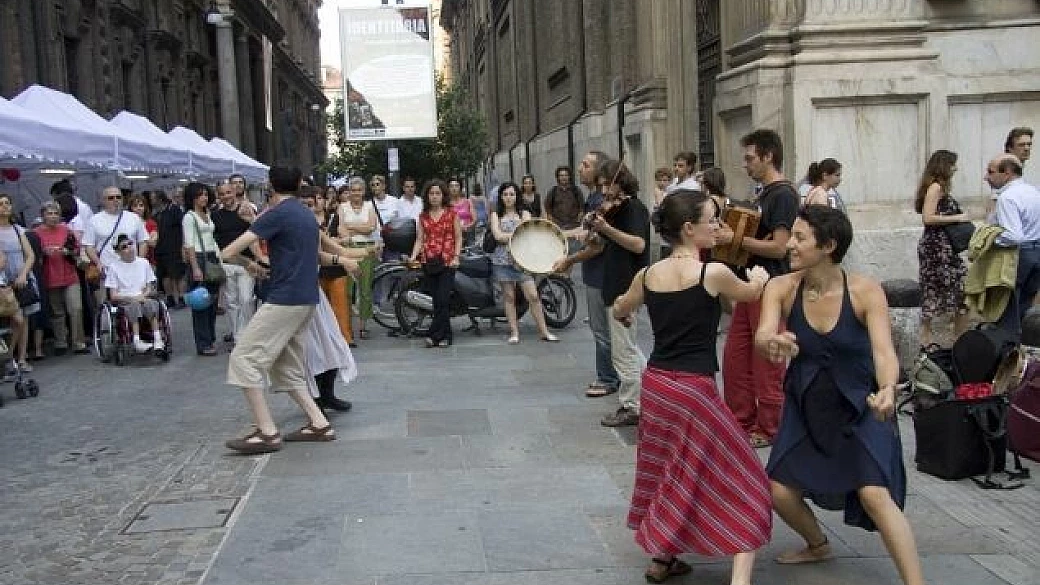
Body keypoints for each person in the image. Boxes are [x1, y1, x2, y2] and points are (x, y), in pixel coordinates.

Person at [756, 205, 922, 585]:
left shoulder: (865, 290)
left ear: (828, 245)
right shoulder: (781, 288)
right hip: (807, 402)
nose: (790, 244)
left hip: (861, 404)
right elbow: (763, 335)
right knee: (778, 490)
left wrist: (887, 390)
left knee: (874, 494)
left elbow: (884, 352)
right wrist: (773, 342)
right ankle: (817, 543)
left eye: (800, 238)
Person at [613, 190, 771, 585]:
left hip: (658, 386)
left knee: (668, 464)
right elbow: (750, 295)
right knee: (748, 475)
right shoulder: (712, 273)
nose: (718, 227)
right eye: (712, 220)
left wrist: (627, 316)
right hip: (694, 390)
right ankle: (740, 577)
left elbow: (620, 307)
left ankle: (663, 557)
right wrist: (758, 278)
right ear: (688, 228)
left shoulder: (648, 274)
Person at [220, 166, 334, 454]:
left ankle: (267, 432)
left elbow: (228, 251)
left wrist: (250, 264)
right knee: (286, 364)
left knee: (244, 358)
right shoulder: (306, 214)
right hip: (307, 297)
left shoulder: (277, 214)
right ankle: (319, 423)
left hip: (284, 298)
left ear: (270, 185)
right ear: (298, 183)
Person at [554, 159, 650, 427]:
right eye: (601, 185)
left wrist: (605, 228)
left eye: (607, 184)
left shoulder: (633, 208)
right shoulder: (615, 211)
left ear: (620, 182)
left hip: (627, 284)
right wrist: (592, 237)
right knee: (627, 346)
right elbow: (600, 247)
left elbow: (639, 244)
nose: (604, 191)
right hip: (614, 282)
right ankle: (651, 390)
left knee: (622, 350)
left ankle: (633, 406)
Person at [722, 129, 800, 448]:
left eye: (750, 157)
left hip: (769, 287)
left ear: (769, 156)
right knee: (735, 358)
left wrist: (735, 240)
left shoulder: (782, 194)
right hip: (751, 285)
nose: (746, 164)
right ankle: (741, 421)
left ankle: (770, 428)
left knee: (767, 362)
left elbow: (781, 248)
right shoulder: (764, 193)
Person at [489, 182, 559, 344]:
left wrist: (510, 235)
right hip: (502, 261)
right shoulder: (496, 214)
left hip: (522, 260)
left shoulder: (524, 212)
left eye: (511, 194)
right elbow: (497, 236)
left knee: (533, 296)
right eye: (505, 194)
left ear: (517, 196)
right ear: (501, 197)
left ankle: (544, 331)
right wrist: (515, 234)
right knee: (509, 297)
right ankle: (514, 332)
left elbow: (526, 231)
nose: (508, 197)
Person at [915, 149, 970, 347]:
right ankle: (928, 337)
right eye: (953, 164)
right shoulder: (935, 188)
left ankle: (952, 336)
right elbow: (928, 218)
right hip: (937, 248)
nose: (956, 168)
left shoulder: (939, 188)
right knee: (940, 288)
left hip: (942, 246)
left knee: (951, 289)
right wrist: (958, 217)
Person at [989, 154, 1040, 336]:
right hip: (1036, 251)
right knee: (1025, 307)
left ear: (1007, 173)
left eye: (991, 172)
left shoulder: (1007, 197)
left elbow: (1014, 235)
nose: (987, 177)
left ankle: (1009, 350)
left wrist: (991, 240)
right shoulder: (1033, 191)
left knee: (1007, 307)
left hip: (1019, 254)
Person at [409, 179, 462, 348]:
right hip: (429, 261)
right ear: (427, 196)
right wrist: (413, 256)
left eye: (437, 193)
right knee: (436, 301)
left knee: (443, 299)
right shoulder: (423, 216)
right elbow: (419, 239)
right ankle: (444, 335)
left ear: (443, 195)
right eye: (431, 193)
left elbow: (459, 237)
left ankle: (435, 335)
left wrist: (456, 256)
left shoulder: (451, 214)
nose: (434, 196)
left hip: (447, 261)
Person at [36, 201, 87, 354]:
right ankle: (60, 342)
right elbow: (32, 253)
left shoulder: (66, 230)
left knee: (76, 308)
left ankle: (78, 342)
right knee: (57, 311)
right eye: (49, 213)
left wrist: (67, 251)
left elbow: (76, 248)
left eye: (55, 213)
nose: (53, 216)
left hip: (69, 274)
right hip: (50, 275)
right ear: (43, 215)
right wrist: (44, 252)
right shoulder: (36, 233)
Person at [212, 181, 259, 346]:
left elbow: (258, 231)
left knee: (246, 299)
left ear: (234, 192)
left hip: (247, 264)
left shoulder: (246, 210)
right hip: (227, 263)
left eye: (228, 192)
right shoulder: (216, 216)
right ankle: (238, 337)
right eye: (222, 194)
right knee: (232, 302)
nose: (226, 196)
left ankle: (247, 334)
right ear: (218, 196)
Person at [104, 234, 165, 354]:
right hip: (125, 300)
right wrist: (132, 298)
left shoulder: (143, 262)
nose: (129, 248)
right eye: (124, 247)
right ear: (118, 252)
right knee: (134, 305)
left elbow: (150, 285)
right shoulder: (113, 267)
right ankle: (137, 341)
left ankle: (158, 339)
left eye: (130, 244)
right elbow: (113, 295)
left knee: (151, 304)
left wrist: (144, 295)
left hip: (143, 297)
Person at [182, 183, 223, 356]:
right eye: (200, 195)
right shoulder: (189, 217)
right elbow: (189, 243)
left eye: (206, 194)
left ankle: (210, 337)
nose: (204, 198)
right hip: (198, 258)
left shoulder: (207, 213)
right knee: (200, 302)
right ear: (192, 197)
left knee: (212, 301)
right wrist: (195, 267)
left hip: (212, 257)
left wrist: (219, 259)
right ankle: (203, 342)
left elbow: (212, 238)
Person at [0, 194, 38, 372]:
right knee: (10, 321)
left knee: (23, 319)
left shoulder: (18, 230)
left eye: (7, 203)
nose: (5, 206)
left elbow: (30, 255)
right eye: (1, 204)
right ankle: (7, 358)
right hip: (3, 281)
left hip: (21, 278)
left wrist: (23, 274)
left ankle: (21, 359)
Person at [337, 176, 378, 340]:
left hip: (367, 250)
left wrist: (352, 227)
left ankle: (363, 326)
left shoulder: (369, 206)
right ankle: (347, 327)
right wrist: (361, 229)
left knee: (365, 289)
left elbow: (371, 228)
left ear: (363, 191)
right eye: (353, 190)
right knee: (347, 290)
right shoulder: (342, 207)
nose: (356, 193)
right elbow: (341, 230)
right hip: (347, 250)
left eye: (359, 190)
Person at [152, 190, 187, 309]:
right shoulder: (156, 214)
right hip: (160, 249)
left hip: (174, 248)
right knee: (165, 275)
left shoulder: (175, 210)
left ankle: (182, 298)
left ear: (160, 199)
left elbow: (183, 228)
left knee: (178, 274)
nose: (152, 201)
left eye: (153, 198)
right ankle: (170, 298)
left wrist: (183, 245)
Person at [545, 166, 585, 241]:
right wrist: (553, 224)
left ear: (569, 176)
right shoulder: (553, 192)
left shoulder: (576, 191)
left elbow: (582, 209)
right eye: (561, 175)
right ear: (558, 177)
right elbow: (548, 210)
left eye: (566, 175)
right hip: (558, 228)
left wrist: (578, 222)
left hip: (574, 228)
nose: (564, 177)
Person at [447, 177, 476, 243]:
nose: (454, 188)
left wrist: (466, 227)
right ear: (448, 188)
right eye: (451, 186)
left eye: (456, 186)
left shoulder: (468, 202)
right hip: (452, 236)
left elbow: (474, 219)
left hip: (468, 234)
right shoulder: (446, 205)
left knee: (471, 252)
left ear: (460, 188)